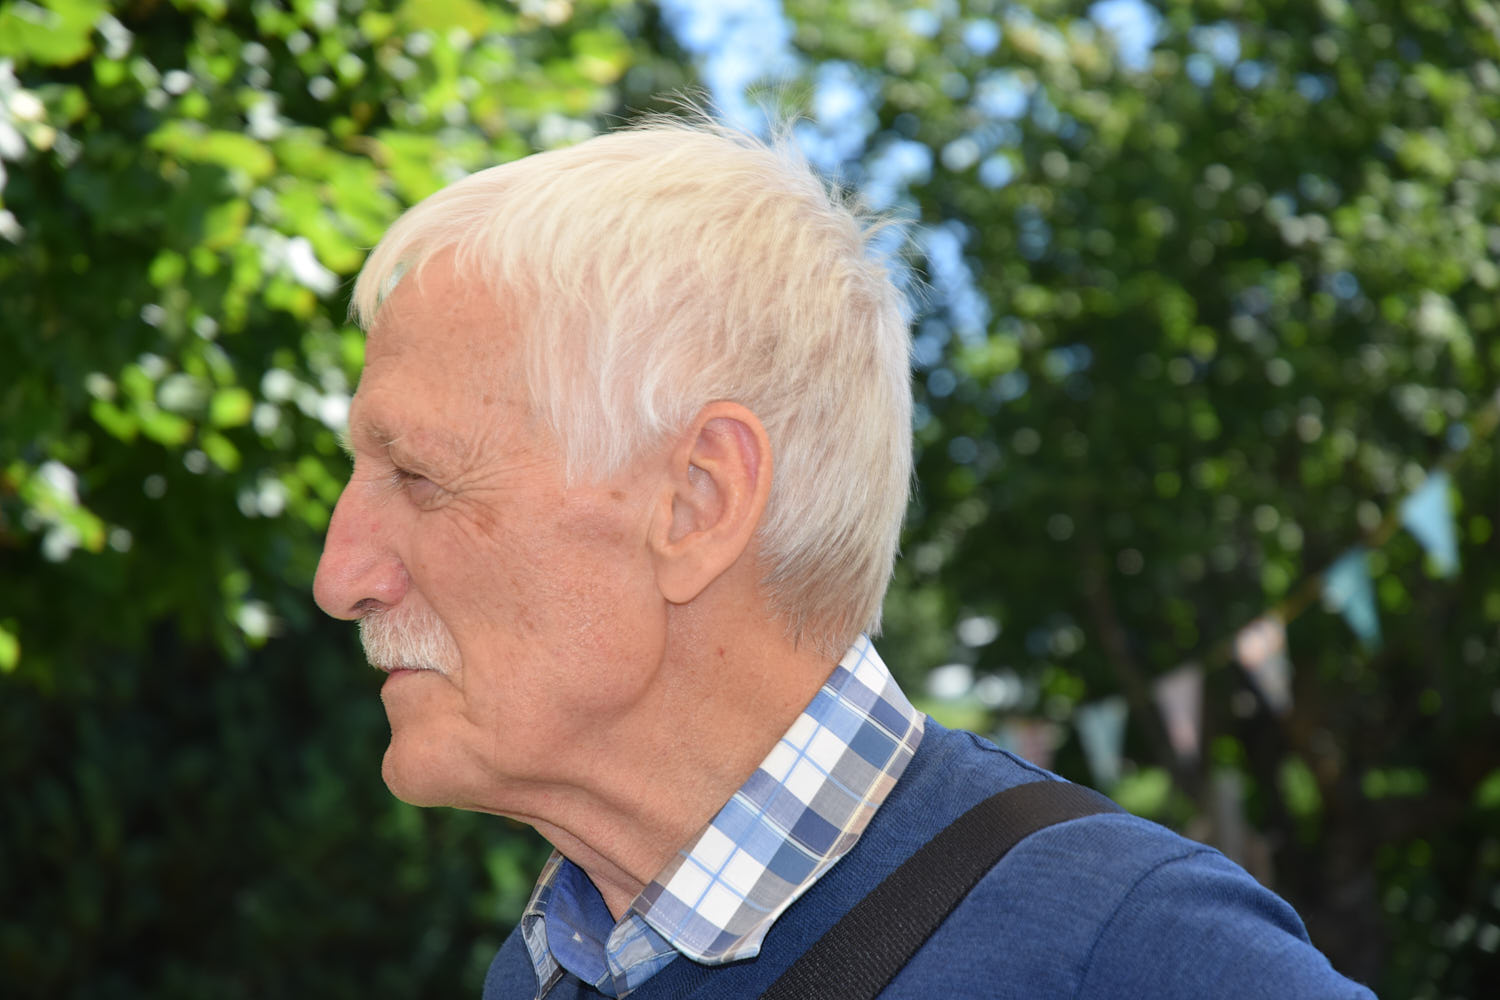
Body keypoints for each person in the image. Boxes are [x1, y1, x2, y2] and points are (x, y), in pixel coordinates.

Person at [313, 116, 1376, 999]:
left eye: (420, 475)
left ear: (698, 502)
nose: (341, 577)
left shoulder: (1130, 950)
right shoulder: (551, 968)